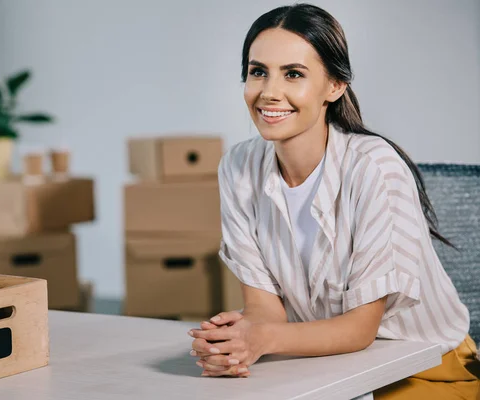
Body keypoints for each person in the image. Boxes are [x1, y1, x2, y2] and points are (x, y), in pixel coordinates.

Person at [187, 3, 480, 399]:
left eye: (293, 74)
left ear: (334, 86)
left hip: (425, 364)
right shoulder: (238, 167)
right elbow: (266, 312)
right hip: (327, 361)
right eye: (258, 72)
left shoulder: (374, 168)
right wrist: (239, 342)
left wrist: (262, 339)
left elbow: (359, 329)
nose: (270, 92)